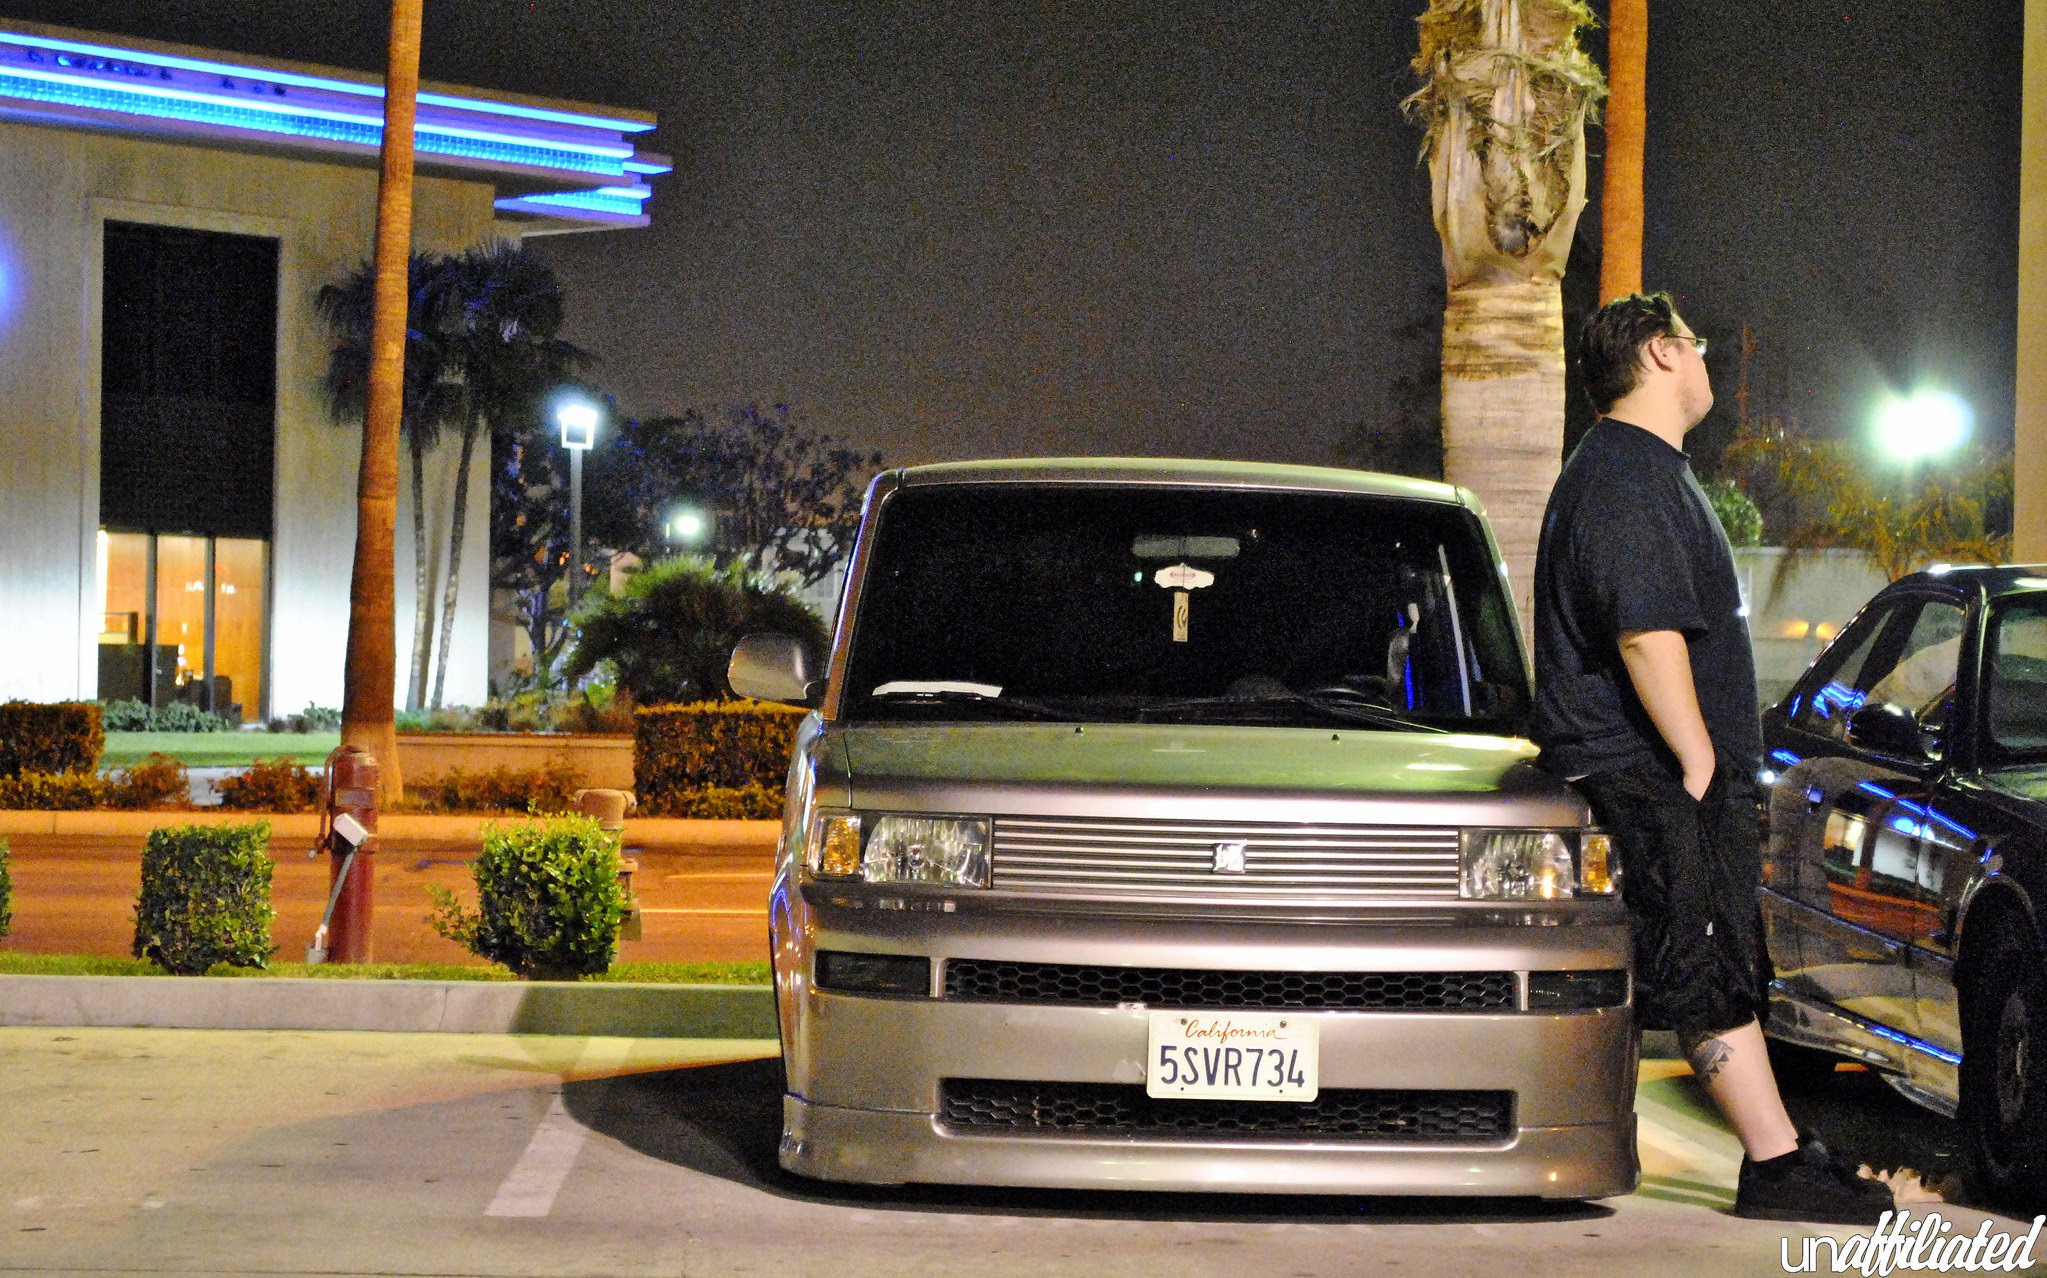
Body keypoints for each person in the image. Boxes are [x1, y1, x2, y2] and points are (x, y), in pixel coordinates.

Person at [1531, 292, 1894, 1224]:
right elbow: (1645, 635)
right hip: (1654, 770)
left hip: (1663, 771)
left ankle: (1778, 1154)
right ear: (1660, 353)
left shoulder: (1631, 469)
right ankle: (1775, 1165)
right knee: (1699, 959)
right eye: (1692, 345)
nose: (1703, 362)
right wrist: (1696, 765)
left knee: (1709, 955)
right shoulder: (1626, 474)